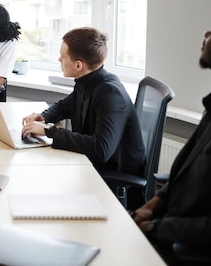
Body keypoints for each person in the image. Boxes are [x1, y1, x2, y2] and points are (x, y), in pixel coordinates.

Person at [132, 7, 211, 264]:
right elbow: (187, 175)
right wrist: (155, 202)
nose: (206, 34)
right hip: (166, 230)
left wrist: (153, 228)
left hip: (185, 252)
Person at [21, 27, 145, 176]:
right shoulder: (86, 81)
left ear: (78, 65)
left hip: (112, 174)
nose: (59, 60)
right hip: (91, 164)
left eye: (63, 57)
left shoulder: (111, 94)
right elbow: (64, 106)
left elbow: (101, 149)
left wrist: (49, 131)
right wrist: (44, 117)